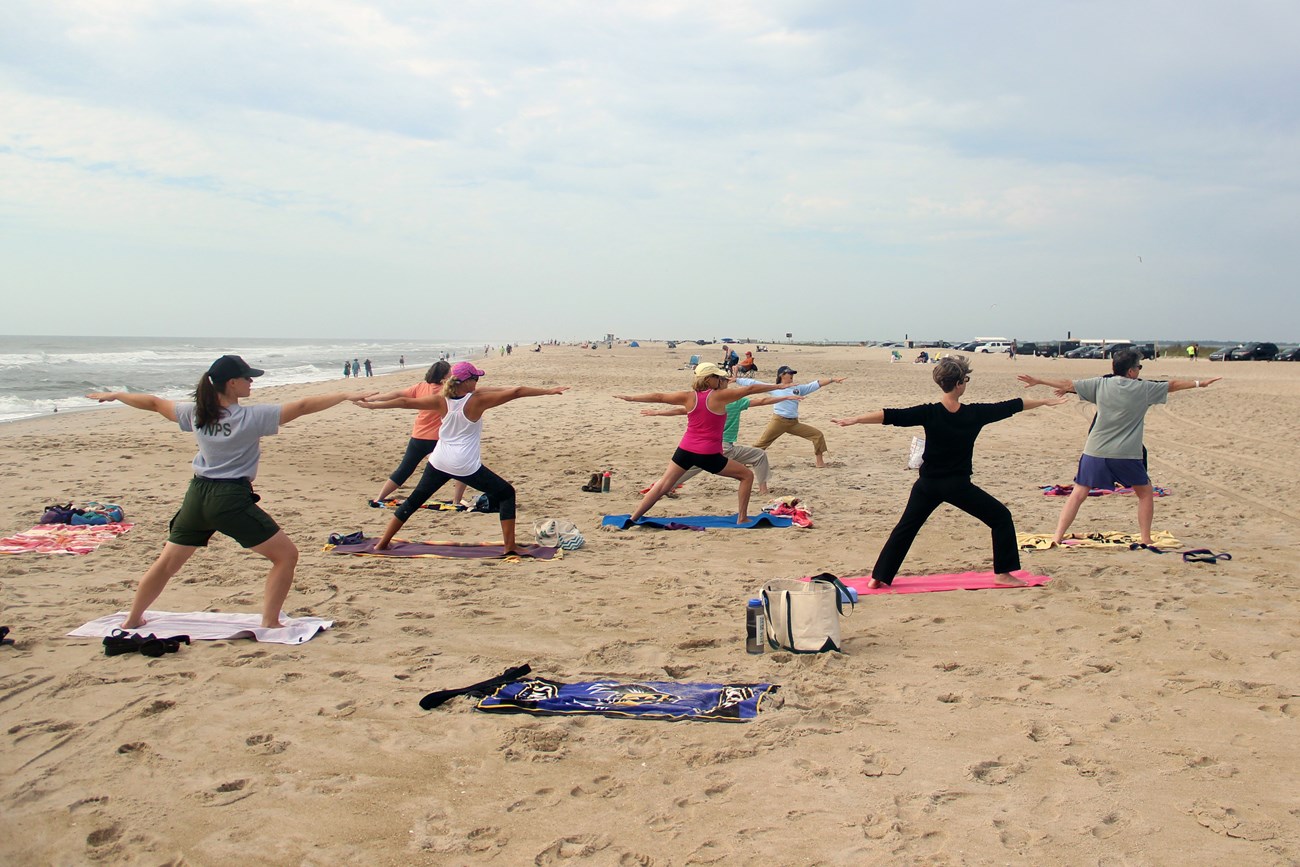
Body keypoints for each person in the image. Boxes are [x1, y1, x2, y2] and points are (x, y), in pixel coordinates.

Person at [87, 356, 370, 629]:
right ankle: (270, 621)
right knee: (286, 556)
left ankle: (133, 618)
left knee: (166, 564)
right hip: (229, 498)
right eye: (247, 378)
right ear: (232, 383)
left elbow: (152, 403)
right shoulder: (251, 417)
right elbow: (304, 406)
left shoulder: (196, 412)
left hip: (197, 496)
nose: (251, 382)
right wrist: (344, 395)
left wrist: (116, 395)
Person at [833, 355, 1067, 588]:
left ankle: (878, 577)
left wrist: (856, 419)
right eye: (966, 379)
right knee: (1001, 518)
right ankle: (1003, 574)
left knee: (905, 529)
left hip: (927, 485)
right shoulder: (974, 414)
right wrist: (1044, 402)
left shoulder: (929, 412)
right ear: (959, 384)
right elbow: (1013, 405)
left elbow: (891, 415)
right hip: (957, 486)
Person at [356, 362, 569, 554]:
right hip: (464, 464)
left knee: (413, 501)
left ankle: (382, 543)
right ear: (466, 381)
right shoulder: (477, 401)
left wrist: (372, 406)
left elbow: (403, 401)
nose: (478, 381)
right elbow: (517, 391)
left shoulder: (441, 400)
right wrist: (548, 391)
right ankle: (510, 546)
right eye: (475, 378)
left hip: (439, 460)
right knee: (506, 493)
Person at [1018, 350, 1220, 545]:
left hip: (1095, 451)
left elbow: (1068, 384)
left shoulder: (1100, 384)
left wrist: (1039, 381)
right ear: (1131, 371)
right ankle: (1146, 538)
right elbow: (1173, 385)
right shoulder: (1145, 388)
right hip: (1127, 454)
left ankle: (1057, 536)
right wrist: (1199, 383)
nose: (1140, 370)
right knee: (1145, 493)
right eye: (1138, 367)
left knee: (1079, 493)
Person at [615, 363, 783, 524]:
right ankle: (742, 518)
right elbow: (750, 389)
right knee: (746, 475)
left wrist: (631, 398)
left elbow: (659, 396)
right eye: (717, 377)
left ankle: (633, 518)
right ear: (709, 379)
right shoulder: (718, 396)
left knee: (663, 485)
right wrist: (777, 387)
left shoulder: (688, 396)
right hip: (708, 454)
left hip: (685, 450)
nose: (720, 380)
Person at [637, 380, 805, 496]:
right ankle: (763, 490)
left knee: (688, 469)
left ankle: (660, 488)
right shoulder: (735, 402)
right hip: (720, 448)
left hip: (700, 447)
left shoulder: (707, 400)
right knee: (759, 456)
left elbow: (682, 410)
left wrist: (658, 412)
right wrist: (786, 396)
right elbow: (761, 400)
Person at [367, 360, 467, 508]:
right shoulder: (448, 392)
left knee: (404, 469)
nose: (452, 375)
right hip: (438, 440)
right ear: (442, 378)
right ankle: (456, 501)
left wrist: (372, 399)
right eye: (450, 373)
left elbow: (397, 394)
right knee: (462, 466)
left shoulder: (420, 387)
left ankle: (379, 498)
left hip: (418, 437)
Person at [741, 366, 846, 468]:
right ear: (782, 375)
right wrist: (736, 379)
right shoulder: (774, 388)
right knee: (762, 444)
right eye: (789, 373)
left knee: (817, 435)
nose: (792, 375)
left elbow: (816, 384)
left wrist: (832, 380)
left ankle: (820, 462)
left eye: (792, 374)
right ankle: (743, 461)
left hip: (794, 423)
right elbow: (753, 383)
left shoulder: (797, 388)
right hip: (779, 422)